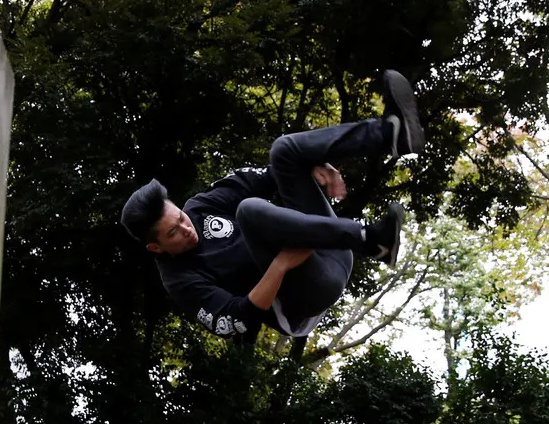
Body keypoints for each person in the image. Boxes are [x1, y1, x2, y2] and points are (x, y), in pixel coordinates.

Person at [120, 70, 423, 342]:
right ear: (156, 247)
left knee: (283, 150)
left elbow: (270, 176)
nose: (187, 228)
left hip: (330, 249)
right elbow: (235, 321)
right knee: (249, 211)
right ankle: (371, 240)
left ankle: (390, 135)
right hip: (304, 298)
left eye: (181, 218)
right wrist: (280, 265)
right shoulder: (179, 278)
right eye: (173, 232)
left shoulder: (201, 207)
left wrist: (312, 163)